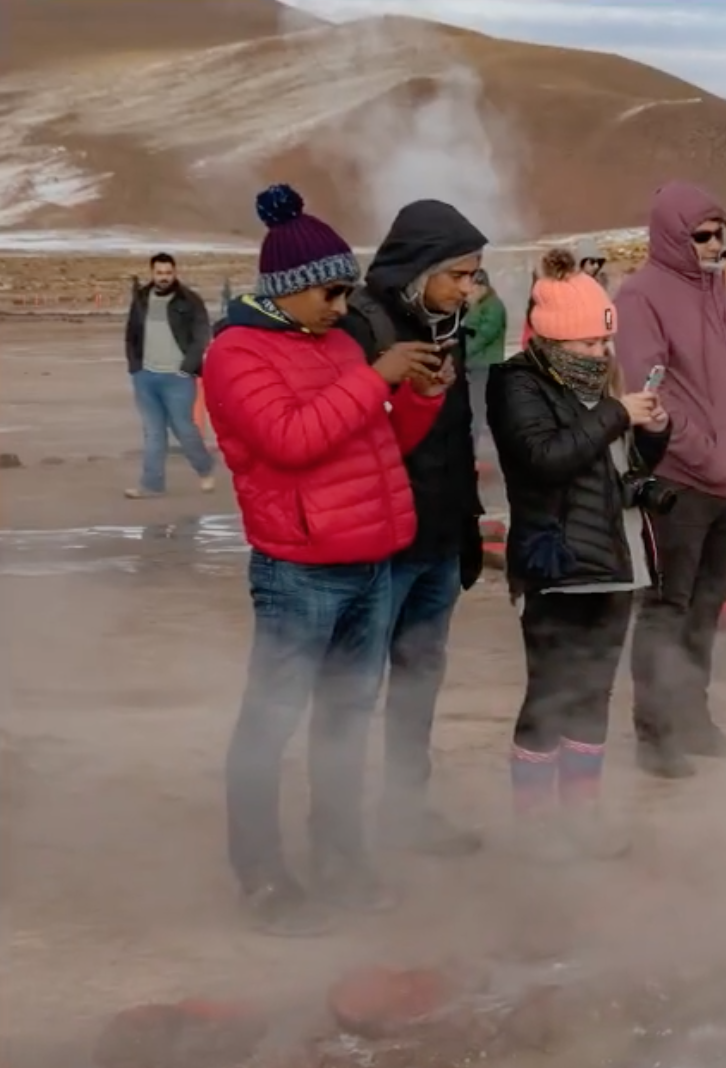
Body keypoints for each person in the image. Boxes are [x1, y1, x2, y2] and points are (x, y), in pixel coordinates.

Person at [205, 184, 449, 936]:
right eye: (331, 293)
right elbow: (291, 441)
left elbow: (381, 445)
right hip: (299, 570)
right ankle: (261, 874)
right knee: (271, 723)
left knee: (344, 720)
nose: (342, 307)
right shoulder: (235, 353)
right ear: (286, 288)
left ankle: (341, 859)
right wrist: (377, 376)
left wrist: (418, 396)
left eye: (347, 291)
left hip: (371, 561)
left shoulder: (337, 345)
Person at [489, 249, 668, 860]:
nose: (602, 353)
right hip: (557, 566)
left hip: (615, 563)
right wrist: (617, 414)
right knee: (550, 695)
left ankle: (581, 820)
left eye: (605, 342)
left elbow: (618, 471)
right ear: (555, 337)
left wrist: (653, 431)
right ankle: (536, 829)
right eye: (590, 343)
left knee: (593, 697)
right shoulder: (516, 383)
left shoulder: (600, 384)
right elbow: (544, 459)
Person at [336, 200, 489, 857]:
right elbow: (349, 437)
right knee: (353, 691)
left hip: (439, 542)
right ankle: (342, 835)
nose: (468, 289)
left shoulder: (445, 325)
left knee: (418, 685)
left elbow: (455, 439)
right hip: (383, 546)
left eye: (474, 276)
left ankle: (405, 814)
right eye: (458, 274)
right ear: (420, 268)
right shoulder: (361, 326)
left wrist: (467, 527)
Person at [614, 181, 726, 779]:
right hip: (679, 483)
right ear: (672, 236)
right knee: (666, 608)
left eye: (719, 233)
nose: (713, 244)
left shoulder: (723, 293)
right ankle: (655, 735)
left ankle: (693, 720)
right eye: (701, 235)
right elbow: (646, 390)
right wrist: (702, 452)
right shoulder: (641, 296)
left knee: (707, 607)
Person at [123, 252, 218, 499]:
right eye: (159, 273)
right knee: (153, 433)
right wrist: (135, 366)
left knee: (184, 429)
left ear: (174, 273)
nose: (163, 277)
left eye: (168, 273)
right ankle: (152, 485)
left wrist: (187, 368)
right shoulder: (141, 299)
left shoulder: (189, 300)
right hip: (146, 378)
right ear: (152, 273)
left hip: (178, 378)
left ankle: (205, 468)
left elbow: (201, 336)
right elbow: (131, 334)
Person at [464, 268, 507, 454]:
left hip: (486, 365)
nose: (469, 291)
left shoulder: (493, 306)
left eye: (473, 287)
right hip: (472, 366)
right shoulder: (473, 305)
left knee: (477, 410)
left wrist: (463, 352)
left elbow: (484, 335)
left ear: (483, 286)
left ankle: (471, 452)